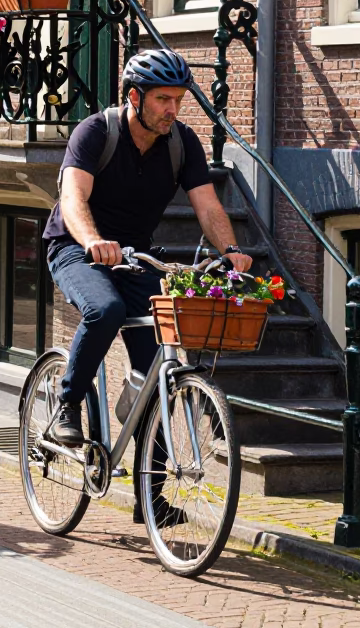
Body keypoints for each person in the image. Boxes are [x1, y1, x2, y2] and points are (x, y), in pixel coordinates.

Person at [43, 48, 252, 448]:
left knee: (159, 363)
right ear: (134, 97)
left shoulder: (183, 143)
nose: (172, 109)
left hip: (136, 257)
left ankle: (152, 496)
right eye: (163, 99)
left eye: (179, 99)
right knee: (105, 310)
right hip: (75, 248)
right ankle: (67, 405)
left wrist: (230, 248)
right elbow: (72, 198)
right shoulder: (96, 132)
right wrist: (93, 241)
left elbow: (207, 205)